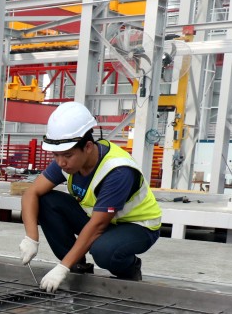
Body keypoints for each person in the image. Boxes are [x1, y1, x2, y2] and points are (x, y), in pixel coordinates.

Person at [19, 101, 162, 292]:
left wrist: (61, 268)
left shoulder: (117, 171)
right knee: (46, 201)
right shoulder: (68, 161)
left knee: (104, 251)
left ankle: (130, 269)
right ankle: (76, 265)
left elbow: (97, 226)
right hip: (99, 219)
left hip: (137, 226)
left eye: (67, 156)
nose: (60, 162)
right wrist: (31, 238)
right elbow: (31, 193)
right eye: (56, 155)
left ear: (87, 147)